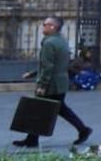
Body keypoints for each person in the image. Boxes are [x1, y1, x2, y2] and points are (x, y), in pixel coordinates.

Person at [14, 16, 91, 149]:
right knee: (57, 109)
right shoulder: (61, 41)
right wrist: (33, 73)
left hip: (51, 84)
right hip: (60, 82)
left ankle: (82, 130)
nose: (43, 26)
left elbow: (48, 66)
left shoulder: (49, 43)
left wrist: (42, 86)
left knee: (41, 109)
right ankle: (32, 139)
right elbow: (53, 63)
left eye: (45, 24)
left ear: (52, 27)